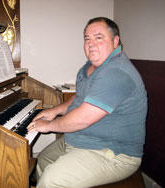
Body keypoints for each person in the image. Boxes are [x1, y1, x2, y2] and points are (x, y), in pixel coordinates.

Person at [27, 17, 147, 188]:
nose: (91, 44)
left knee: (52, 179)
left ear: (115, 41)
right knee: (43, 159)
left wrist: (48, 125)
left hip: (113, 153)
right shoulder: (88, 67)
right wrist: (55, 110)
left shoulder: (116, 72)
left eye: (98, 38)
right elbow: (79, 98)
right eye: (87, 39)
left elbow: (83, 118)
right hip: (82, 138)